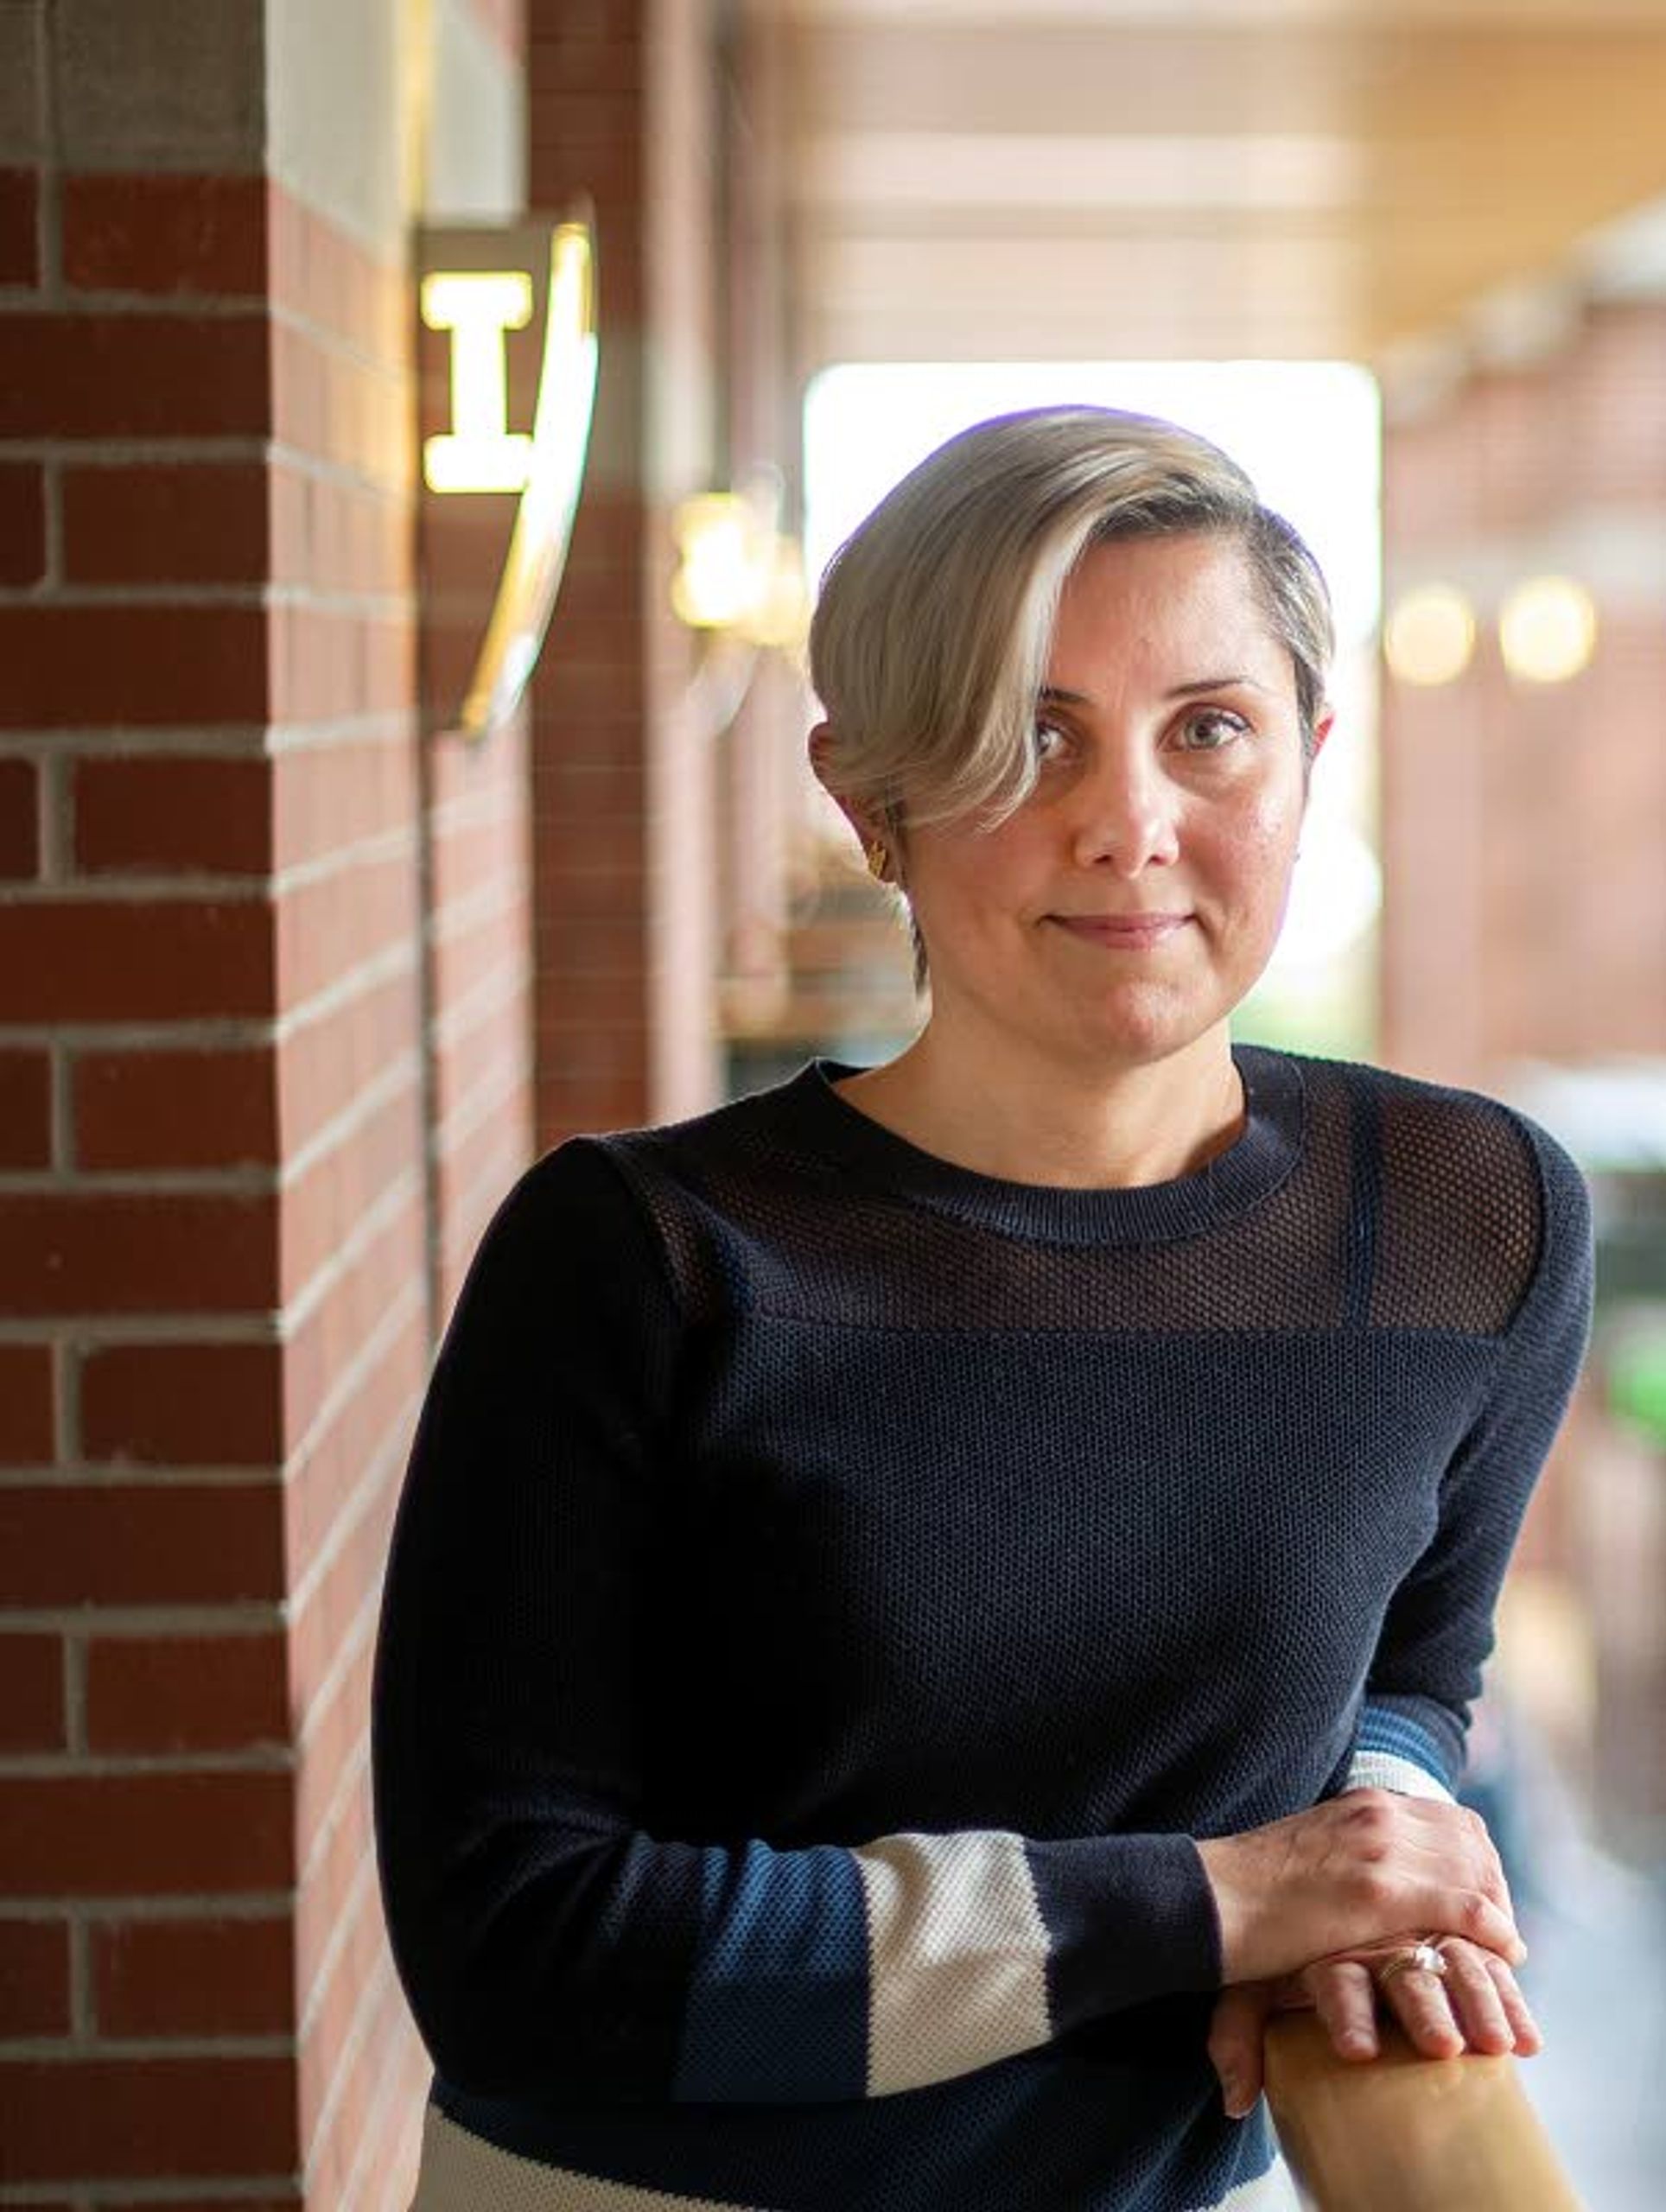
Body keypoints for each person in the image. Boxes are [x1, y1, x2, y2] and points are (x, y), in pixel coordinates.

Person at [370, 406, 1594, 2209]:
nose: (1132, 825)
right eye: (1033, 736)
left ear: (1311, 760)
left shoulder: (1460, 1221)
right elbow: (522, 1951)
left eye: (1212, 730)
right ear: (872, 794)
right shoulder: (648, 1259)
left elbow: (1410, 1658)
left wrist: (1379, 1831)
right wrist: (1226, 1899)